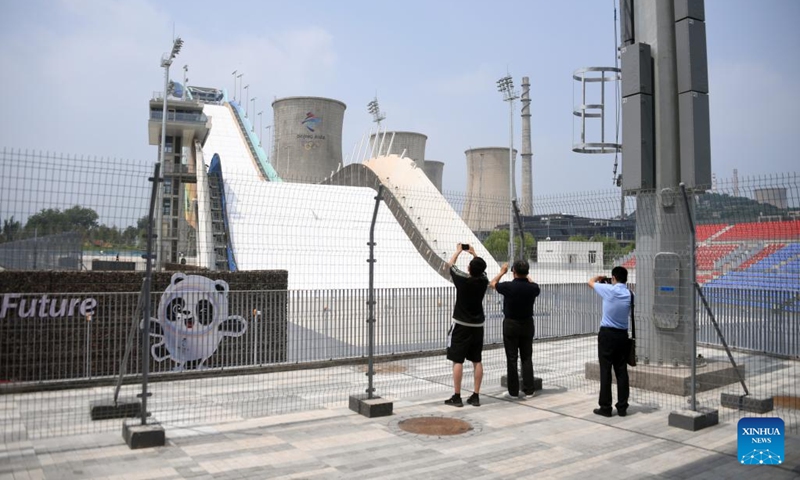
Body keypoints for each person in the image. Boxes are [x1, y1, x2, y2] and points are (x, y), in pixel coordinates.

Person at [444, 243, 489, 407]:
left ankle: (457, 396)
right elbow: (481, 270)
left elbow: (451, 266)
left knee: (458, 360)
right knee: (477, 360)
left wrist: (458, 251)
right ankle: (476, 395)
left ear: (469, 268)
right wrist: (474, 253)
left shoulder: (462, 280)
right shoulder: (483, 281)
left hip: (461, 324)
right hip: (478, 325)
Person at [490, 260, 540, 400]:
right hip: (527, 324)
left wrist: (501, 272)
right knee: (527, 357)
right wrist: (525, 276)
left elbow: (492, 284)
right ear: (527, 272)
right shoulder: (533, 288)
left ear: (514, 272)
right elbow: (532, 284)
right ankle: (529, 389)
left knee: (512, 358)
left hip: (511, 324)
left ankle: (513, 391)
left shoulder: (508, 287)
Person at [588, 266, 632, 417]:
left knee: (605, 370)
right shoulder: (630, 294)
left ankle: (605, 407)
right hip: (622, 335)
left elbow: (590, 282)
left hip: (607, 334)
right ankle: (622, 407)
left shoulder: (608, 290)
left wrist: (599, 278)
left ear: (613, 278)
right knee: (621, 370)